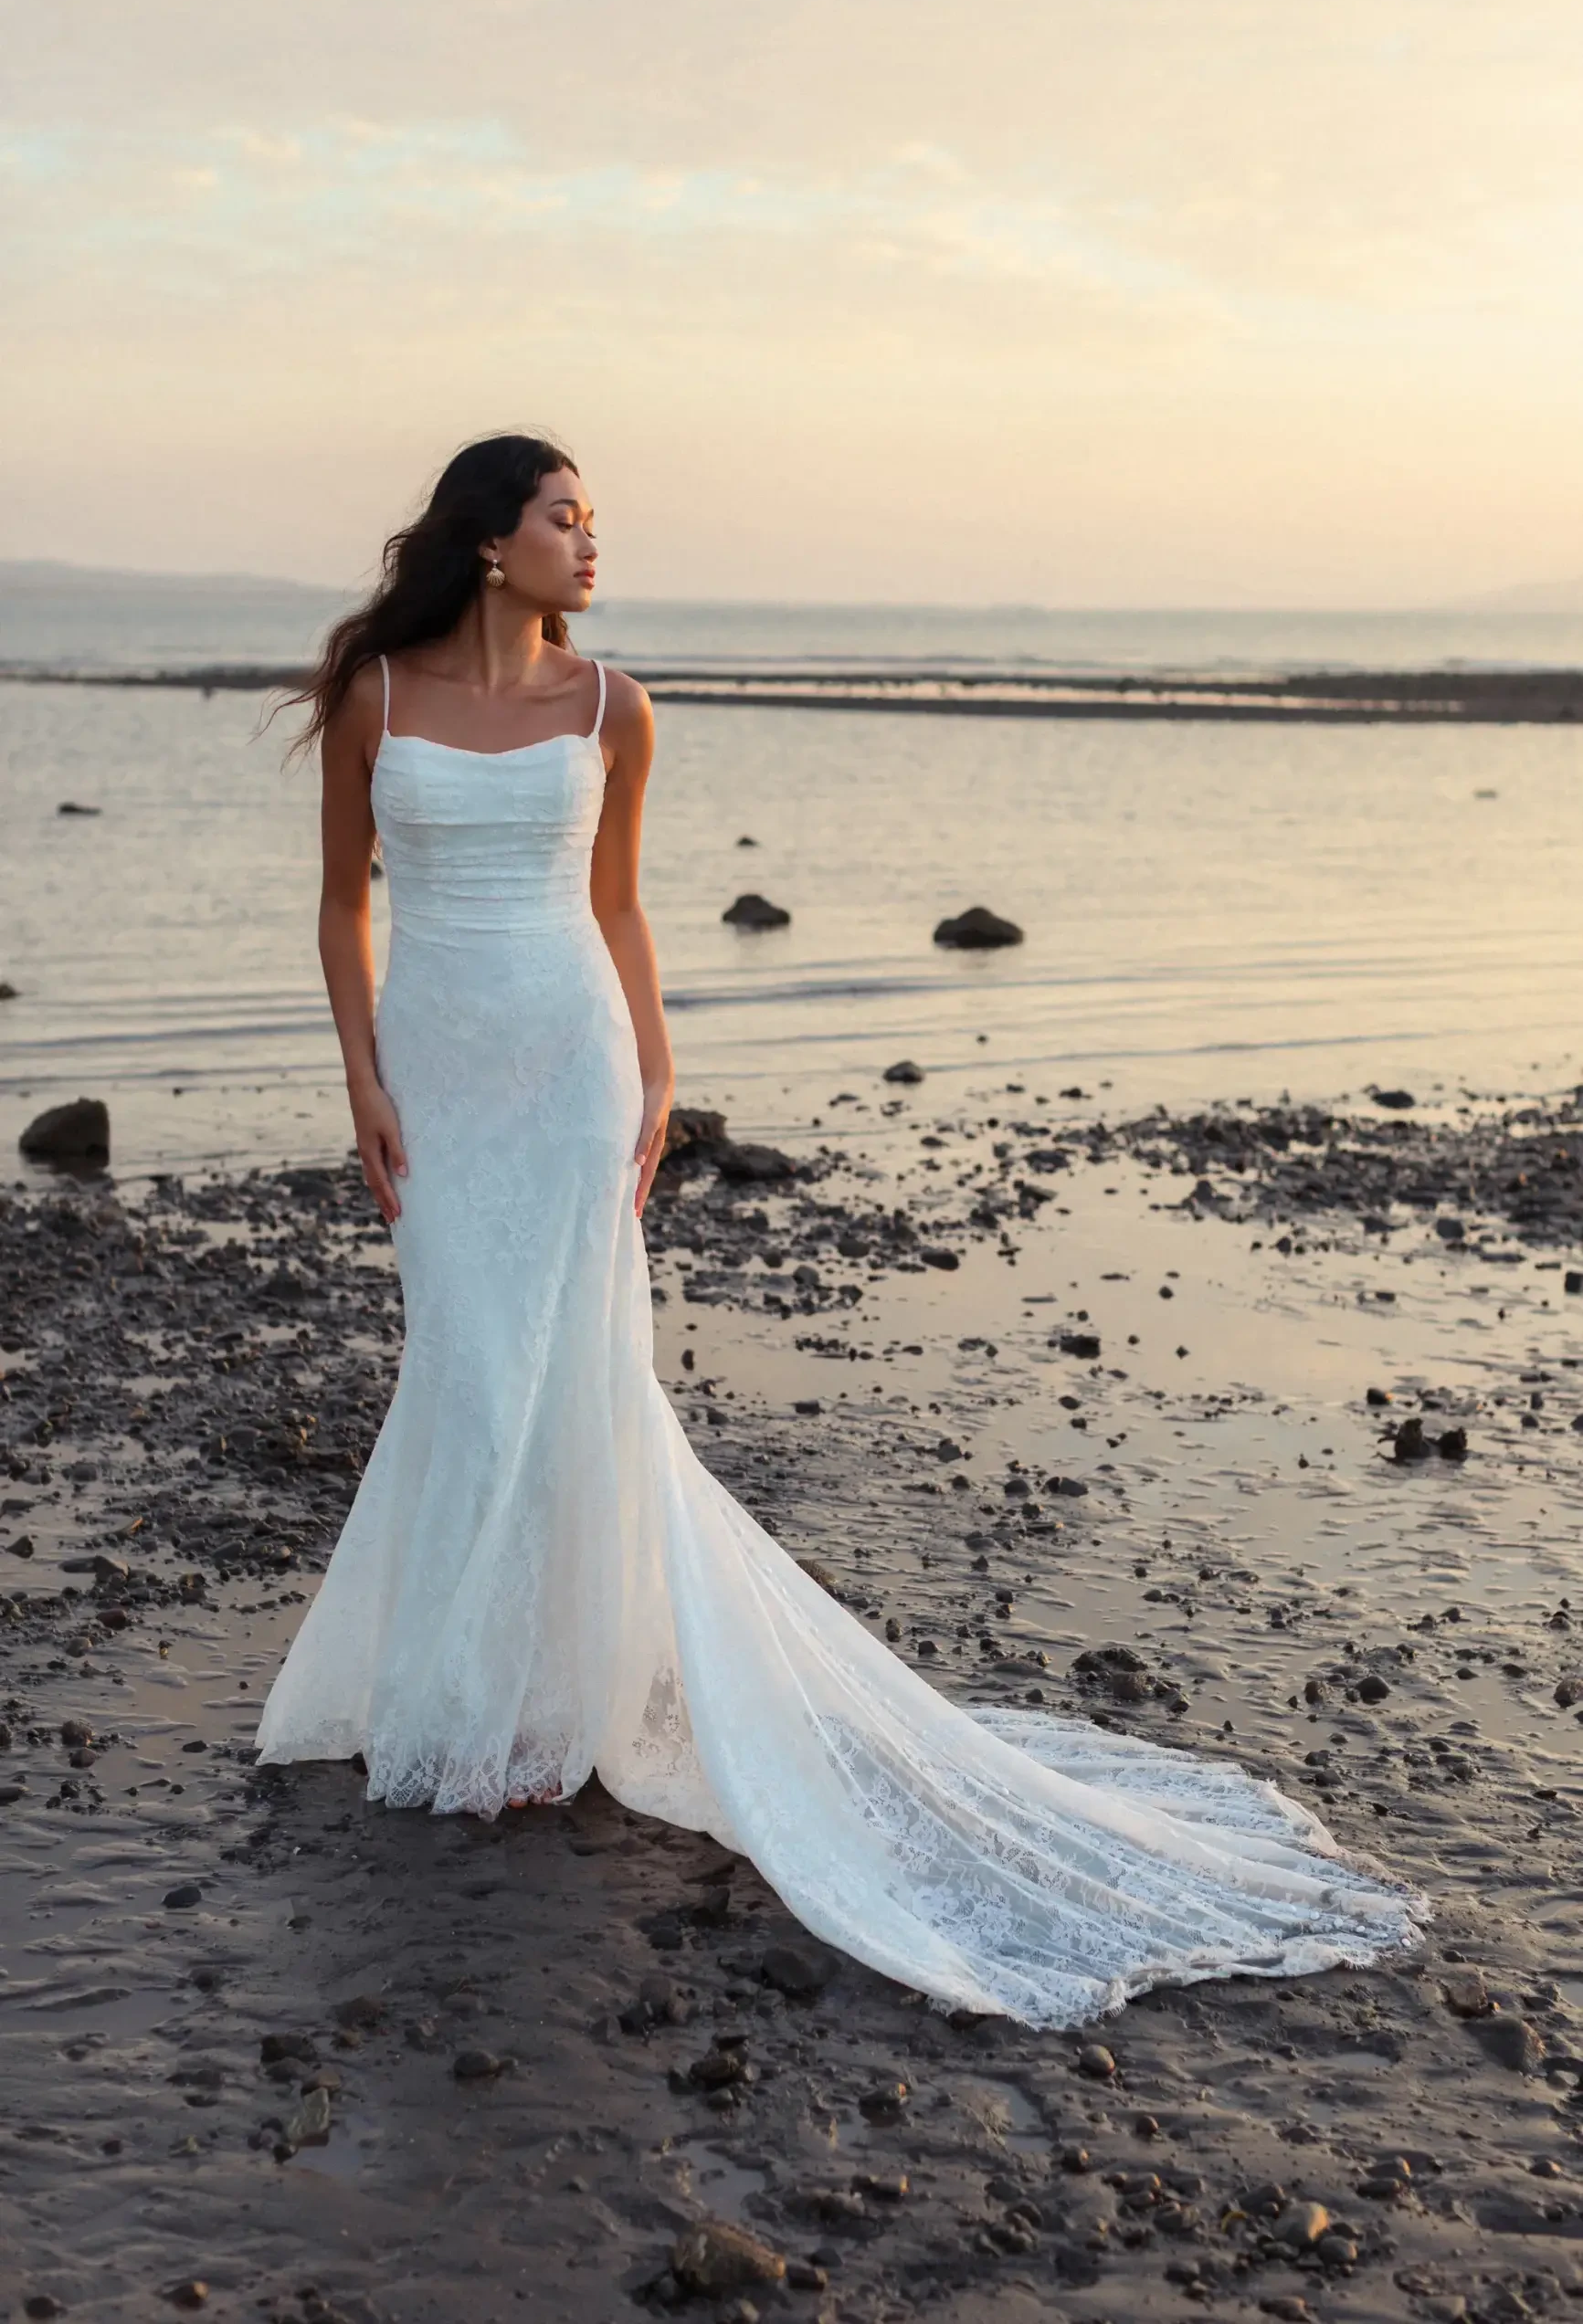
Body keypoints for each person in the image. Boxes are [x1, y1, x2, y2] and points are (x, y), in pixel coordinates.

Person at [254, 433, 1427, 2027]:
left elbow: (620, 905)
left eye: (596, 520)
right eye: (563, 519)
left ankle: (520, 1721)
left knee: (568, 1375)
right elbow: (344, 904)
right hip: (442, 1072)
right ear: (486, 543)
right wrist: (360, 1077)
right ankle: (468, 1699)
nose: (592, 545)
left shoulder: (616, 708)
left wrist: (661, 1071)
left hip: (574, 1064)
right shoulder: (378, 700)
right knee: (465, 1364)